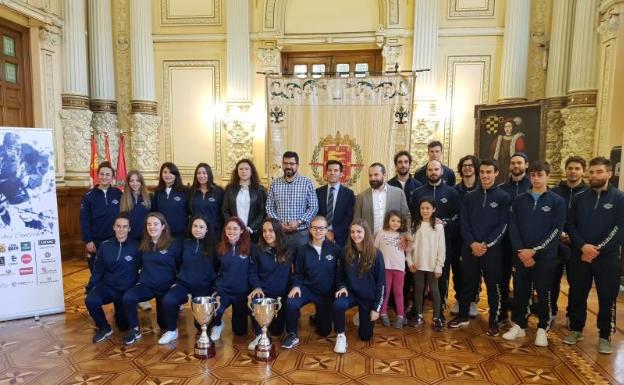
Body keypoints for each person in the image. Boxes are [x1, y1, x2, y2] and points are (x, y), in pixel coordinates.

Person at [564, 157, 624, 354]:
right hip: (580, 255)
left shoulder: (620, 198)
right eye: (591, 172)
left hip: (607, 258)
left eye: (599, 172)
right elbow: (570, 225)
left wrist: (596, 249)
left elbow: (619, 229)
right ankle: (575, 329)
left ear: (609, 174)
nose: (594, 176)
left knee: (607, 297)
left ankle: (605, 335)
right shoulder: (580, 198)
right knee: (577, 292)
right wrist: (583, 246)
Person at [503, 161, 565, 347]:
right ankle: (519, 325)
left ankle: (542, 327)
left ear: (547, 175)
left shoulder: (557, 201)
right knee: (520, 291)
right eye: (533, 175)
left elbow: (556, 231)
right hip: (521, 255)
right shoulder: (520, 199)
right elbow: (513, 227)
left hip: (545, 257)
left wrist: (535, 252)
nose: (536, 178)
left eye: (540, 174)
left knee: (544, 292)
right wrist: (522, 251)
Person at [448, 159, 511, 337]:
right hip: (470, 248)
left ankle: (493, 321)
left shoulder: (503, 197)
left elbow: (503, 225)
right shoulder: (469, 197)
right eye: (482, 172)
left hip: (492, 250)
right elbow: (464, 223)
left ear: (496, 173)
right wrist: (472, 243)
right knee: (467, 283)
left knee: (493, 286)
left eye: (488, 172)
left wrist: (486, 245)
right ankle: (462, 316)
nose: (485, 175)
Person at [409, 160, 460, 322]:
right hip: (418, 256)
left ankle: (439, 313)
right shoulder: (418, 192)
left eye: (436, 169)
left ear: (442, 171)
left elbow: (457, 215)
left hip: (441, 246)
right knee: (418, 287)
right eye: (430, 169)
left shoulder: (451, 193)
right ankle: (417, 313)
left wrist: (445, 223)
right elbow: (412, 214)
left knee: (440, 284)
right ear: (426, 172)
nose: (433, 172)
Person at [122, 212, 182, 345]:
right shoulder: (143, 244)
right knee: (128, 297)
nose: (152, 227)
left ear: (163, 226)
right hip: (147, 285)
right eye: (149, 224)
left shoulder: (173, 244)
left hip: (166, 288)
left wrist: (178, 283)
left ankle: (173, 321)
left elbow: (181, 265)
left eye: (155, 224)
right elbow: (136, 265)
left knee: (164, 324)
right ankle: (135, 330)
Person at [282, 216, 341, 349]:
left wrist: (340, 288)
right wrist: (296, 286)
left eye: (321, 228)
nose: (318, 231)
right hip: (307, 289)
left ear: (327, 230)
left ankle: (318, 317)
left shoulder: (336, 249)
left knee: (324, 331)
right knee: (291, 303)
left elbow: (339, 273)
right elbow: (298, 273)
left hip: (326, 292)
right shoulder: (302, 250)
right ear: (310, 230)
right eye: (314, 228)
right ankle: (292, 334)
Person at [158, 216, 218, 344]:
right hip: (183, 283)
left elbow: (218, 267)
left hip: (203, 287)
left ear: (207, 230)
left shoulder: (214, 245)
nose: (197, 229)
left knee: (200, 325)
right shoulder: (184, 243)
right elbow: (176, 262)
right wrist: (175, 280)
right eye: (195, 226)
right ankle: (172, 331)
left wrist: (214, 286)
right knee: (168, 300)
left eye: (201, 227)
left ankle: (216, 323)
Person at [85, 213, 141, 343]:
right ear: (114, 227)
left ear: (129, 229)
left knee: (122, 326)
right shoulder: (105, 246)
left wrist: (138, 286)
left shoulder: (137, 246)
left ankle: (129, 322)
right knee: (91, 300)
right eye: (118, 226)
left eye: (124, 227)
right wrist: (91, 287)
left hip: (126, 290)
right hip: (108, 286)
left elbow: (143, 268)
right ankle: (104, 328)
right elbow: (98, 270)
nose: (121, 229)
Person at [333, 219, 385, 353]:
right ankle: (340, 336)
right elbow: (339, 275)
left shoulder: (376, 254)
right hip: (350, 292)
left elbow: (381, 284)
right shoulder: (345, 252)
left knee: (365, 336)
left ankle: (362, 314)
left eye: (359, 231)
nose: (355, 235)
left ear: (366, 233)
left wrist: (376, 309)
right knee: (338, 304)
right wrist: (342, 286)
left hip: (368, 296)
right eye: (352, 232)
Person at [550, 156, 588, 324]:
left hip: (577, 244)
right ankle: (551, 311)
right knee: (552, 280)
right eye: (570, 168)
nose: (573, 171)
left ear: (583, 171)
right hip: (556, 243)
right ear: (565, 170)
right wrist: (559, 234)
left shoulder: (588, 193)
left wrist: (575, 237)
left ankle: (573, 316)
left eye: (577, 168)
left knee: (577, 284)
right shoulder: (555, 192)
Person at [247, 218, 293, 350]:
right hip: (264, 294)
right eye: (264, 231)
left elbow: (295, 273)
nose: (267, 234)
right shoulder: (257, 249)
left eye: (271, 230)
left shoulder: (289, 248)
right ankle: (258, 335)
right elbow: (252, 272)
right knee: (255, 297)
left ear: (278, 231)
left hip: (281, 296)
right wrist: (257, 287)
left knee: (277, 331)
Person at [209, 216, 255, 340]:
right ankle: (218, 325)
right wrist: (216, 286)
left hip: (241, 292)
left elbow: (253, 271)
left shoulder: (250, 247)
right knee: (215, 310)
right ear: (224, 230)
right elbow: (214, 268)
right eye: (228, 228)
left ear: (241, 230)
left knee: (239, 331)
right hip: (223, 290)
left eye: (235, 228)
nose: (231, 231)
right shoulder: (219, 248)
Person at [498, 152, 531, 324]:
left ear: (526, 165)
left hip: (525, 243)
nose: (516, 166)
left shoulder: (533, 187)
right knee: (502, 279)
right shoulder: (502, 188)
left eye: (519, 163)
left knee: (522, 282)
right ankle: (502, 313)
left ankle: (521, 317)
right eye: (513, 163)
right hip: (504, 242)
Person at [406, 197, 446, 331]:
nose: (425, 210)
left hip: (432, 265)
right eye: (422, 208)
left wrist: (439, 265)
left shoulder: (439, 226)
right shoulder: (415, 225)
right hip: (417, 264)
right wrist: (410, 261)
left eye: (428, 208)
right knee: (418, 290)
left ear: (434, 209)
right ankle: (418, 315)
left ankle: (437, 317)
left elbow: (441, 247)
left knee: (434, 290)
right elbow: (409, 246)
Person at [266, 151, 319, 249]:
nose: (288, 166)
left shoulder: (307, 183)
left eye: (291, 163)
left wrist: (299, 221)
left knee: (301, 263)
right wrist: (278, 223)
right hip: (280, 233)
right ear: (282, 164)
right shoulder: (275, 184)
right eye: (285, 163)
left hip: (301, 234)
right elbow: (269, 207)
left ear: (297, 165)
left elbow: (313, 207)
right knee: (282, 262)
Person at [451, 155, 481, 317]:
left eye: (470, 165)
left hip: (476, 239)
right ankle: (459, 298)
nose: (467, 168)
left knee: (474, 272)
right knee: (458, 270)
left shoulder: (481, 189)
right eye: (464, 165)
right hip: (458, 237)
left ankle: (472, 301)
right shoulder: (455, 191)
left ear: (475, 168)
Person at [120, 170, 153, 312]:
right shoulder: (123, 198)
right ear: (128, 183)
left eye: (137, 180)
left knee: (144, 266)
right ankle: (131, 295)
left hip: (145, 239)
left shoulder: (149, 197)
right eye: (131, 181)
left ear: (141, 182)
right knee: (131, 267)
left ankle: (143, 298)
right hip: (130, 239)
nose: (135, 183)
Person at [80, 161, 122, 271]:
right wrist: (88, 240)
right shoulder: (88, 196)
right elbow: (84, 220)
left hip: (115, 239)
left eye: (108, 174)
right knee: (96, 272)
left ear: (112, 177)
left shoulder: (118, 193)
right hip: (95, 241)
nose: (104, 177)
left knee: (113, 271)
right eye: (102, 174)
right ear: (97, 175)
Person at [354, 162, 411, 235]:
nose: (372, 178)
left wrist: (406, 234)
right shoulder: (361, 197)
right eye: (370, 175)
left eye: (376, 175)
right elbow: (357, 222)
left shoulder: (398, 193)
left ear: (384, 175)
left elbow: (406, 216)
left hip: (393, 242)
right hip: (369, 242)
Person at [375, 211, 407, 328]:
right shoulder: (381, 233)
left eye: (398, 221)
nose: (395, 223)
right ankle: (383, 313)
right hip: (385, 269)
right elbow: (375, 249)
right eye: (393, 220)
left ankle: (400, 315)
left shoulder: (402, 235)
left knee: (398, 292)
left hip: (399, 269)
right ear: (387, 220)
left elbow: (409, 250)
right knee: (385, 292)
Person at [222, 159, 267, 243]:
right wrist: (233, 227)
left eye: (246, 169)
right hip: (233, 232)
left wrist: (251, 227)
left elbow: (262, 211)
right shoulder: (230, 189)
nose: (243, 171)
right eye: (241, 169)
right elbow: (225, 209)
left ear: (251, 171)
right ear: (237, 171)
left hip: (253, 232)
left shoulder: (259, 189)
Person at [316, 160, 355, 247]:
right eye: (329, 170)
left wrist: (334, 233)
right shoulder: (317, 192)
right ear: (326, 173)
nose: (332, 173)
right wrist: (324, 231)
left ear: (341, 174)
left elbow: (348, 218)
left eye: (336, 170)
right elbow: (316, 214)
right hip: (320, 235)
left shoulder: (348, 194)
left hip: (341, 238)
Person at [152, 162, 190, 240]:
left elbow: (190, 211)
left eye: (171, 172)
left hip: (180, 234)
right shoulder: (158, 191)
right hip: (162, 233)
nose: (168, 175)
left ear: (176, 175)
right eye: (165, 172)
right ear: (161, 174)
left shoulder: (185, 191)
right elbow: (154, 212)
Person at [189, 163, 224, 236]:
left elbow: (223, 212)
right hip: (197, 232)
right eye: (199, 173)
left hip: (214, 232)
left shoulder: (219, 191)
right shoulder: (191, 191)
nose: (201, 176)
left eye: (204, 173)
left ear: (209, 174)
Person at [491, 119, 526, 184]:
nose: (507, 128)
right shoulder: (499, 139)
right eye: (505, 126)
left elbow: (521, 154)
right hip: (500, 163)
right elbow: (493, 152)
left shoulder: (517, 139)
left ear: (513, 127)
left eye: (509, 126)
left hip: (510, 163)